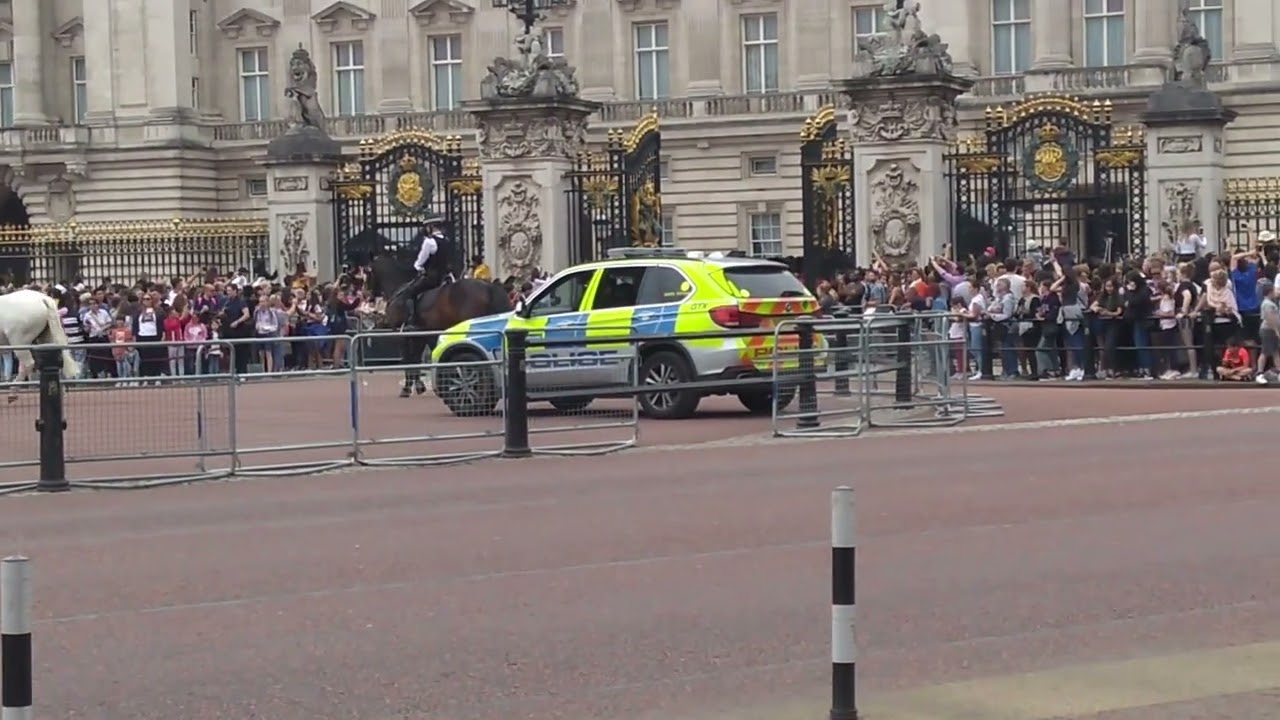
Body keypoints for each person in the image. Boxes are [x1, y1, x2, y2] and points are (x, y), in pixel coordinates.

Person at [395, 216, 455, 324]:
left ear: (430, 227)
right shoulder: (446, 240)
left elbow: (419, 262)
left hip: (432, 277)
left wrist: (418, 267)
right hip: (445, 277)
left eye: (427, 227)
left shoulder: (429, 242)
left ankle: (412, 320)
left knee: (410, 292)